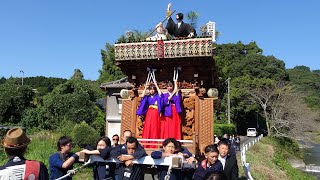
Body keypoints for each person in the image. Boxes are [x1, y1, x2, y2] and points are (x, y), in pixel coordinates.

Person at [136, 82, 163, 147]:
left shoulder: (157, 96)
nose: (152, 90)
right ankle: (145, 143)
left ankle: (154, 144)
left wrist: (156, 85)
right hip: (149, 113)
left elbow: (161, 94)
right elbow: (142, 96)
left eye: (153, 89)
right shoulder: (147, 97)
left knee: (155, 127)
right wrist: (145, 88)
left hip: (155, 113)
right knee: (148, 127)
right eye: (150, 89)